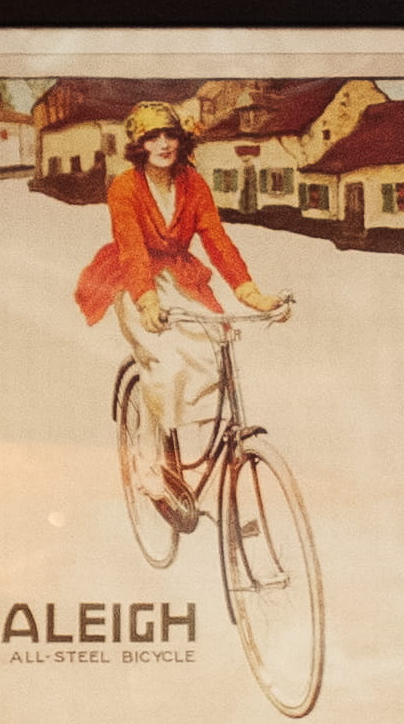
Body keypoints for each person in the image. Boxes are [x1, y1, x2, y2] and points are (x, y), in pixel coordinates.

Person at [72, 100, 292, 533]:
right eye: (152, 137)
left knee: (217, 350)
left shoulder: (193, 183)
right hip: (135, 281)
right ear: (138, 145)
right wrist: (148, 303)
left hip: (182, 278)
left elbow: (216, 239)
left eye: (170, 135)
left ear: (181, 140)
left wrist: (249, 292)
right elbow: (132, 248)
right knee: (166, 364)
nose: (163, 143)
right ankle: (151, 468)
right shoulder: (124, 187)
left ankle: (211, 471)